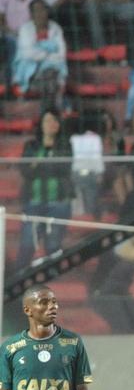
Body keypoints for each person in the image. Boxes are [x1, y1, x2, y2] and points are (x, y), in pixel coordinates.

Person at [17, 108, 73, 270]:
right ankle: (19, 279)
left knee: (53, 245)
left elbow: (64, 169)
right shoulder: (32, 145)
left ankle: (50, 283)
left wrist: (39, 164)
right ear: (41, 125)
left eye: (55, 120)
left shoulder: (64, 145)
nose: (52, 124)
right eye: (48, 120)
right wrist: (44, 159)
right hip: (34, 202)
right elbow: (26, 171)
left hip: (59, 203)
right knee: (27, 243)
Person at [12, 0, 67, 98]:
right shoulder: (25, 29)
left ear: (47, 11)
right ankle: (51, 110)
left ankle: (48, 111)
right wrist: (48, 55)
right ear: (31, 14)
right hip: (30, 71)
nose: (40, 13)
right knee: (49, 81)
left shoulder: (56, 28)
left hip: (52, 69)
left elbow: (62, 53)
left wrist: (42, 54)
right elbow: (28, 53)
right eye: (37, 10)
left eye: (43, 9)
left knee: (50, 76)